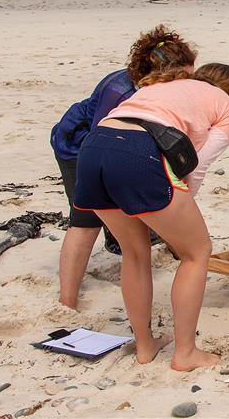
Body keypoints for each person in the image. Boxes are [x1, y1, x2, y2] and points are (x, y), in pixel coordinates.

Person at [72, 63, 229, 371]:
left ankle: (145, 346)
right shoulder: (227, 107)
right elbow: (196, 166)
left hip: (94, 148)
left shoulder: (164, 86)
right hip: (138, 153)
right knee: (197, 252)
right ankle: (185, 353)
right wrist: (183, 213)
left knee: (134, 252)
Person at [52, 25, 197, 309]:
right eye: (186, 76)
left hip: (121, 146)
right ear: (167, 72)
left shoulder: (159, 88)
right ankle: (67, 301)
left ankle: (180, 253)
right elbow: (103, 136)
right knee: (85, 221)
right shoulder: (120, 89)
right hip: (80, 146)